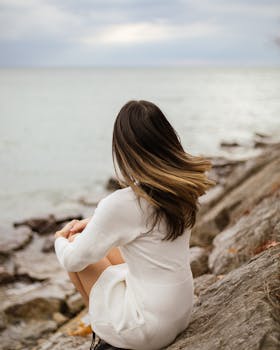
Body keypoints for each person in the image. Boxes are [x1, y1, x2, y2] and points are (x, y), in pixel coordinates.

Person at [54, 100, 216, 350]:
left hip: (148, 329)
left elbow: (73, 260)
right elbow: (144, 223)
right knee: (97, 241)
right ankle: (106, 327)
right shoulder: (182, 188)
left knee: (76, 248)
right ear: (167, 141)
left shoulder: (122, 203)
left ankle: (105, 336)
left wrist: (60, 239)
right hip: (179, 312)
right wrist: (93, 223)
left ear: (124, 150)